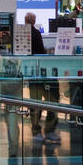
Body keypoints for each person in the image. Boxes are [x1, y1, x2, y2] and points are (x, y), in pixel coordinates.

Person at [25, 12, 60, 144]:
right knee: (51, 100)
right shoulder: (36, 33)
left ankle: (37, 131)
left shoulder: (22, 34)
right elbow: (40, 51)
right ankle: (49, 131)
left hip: (32, 74)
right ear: (34, 21)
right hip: (41, 73)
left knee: (35, 103)